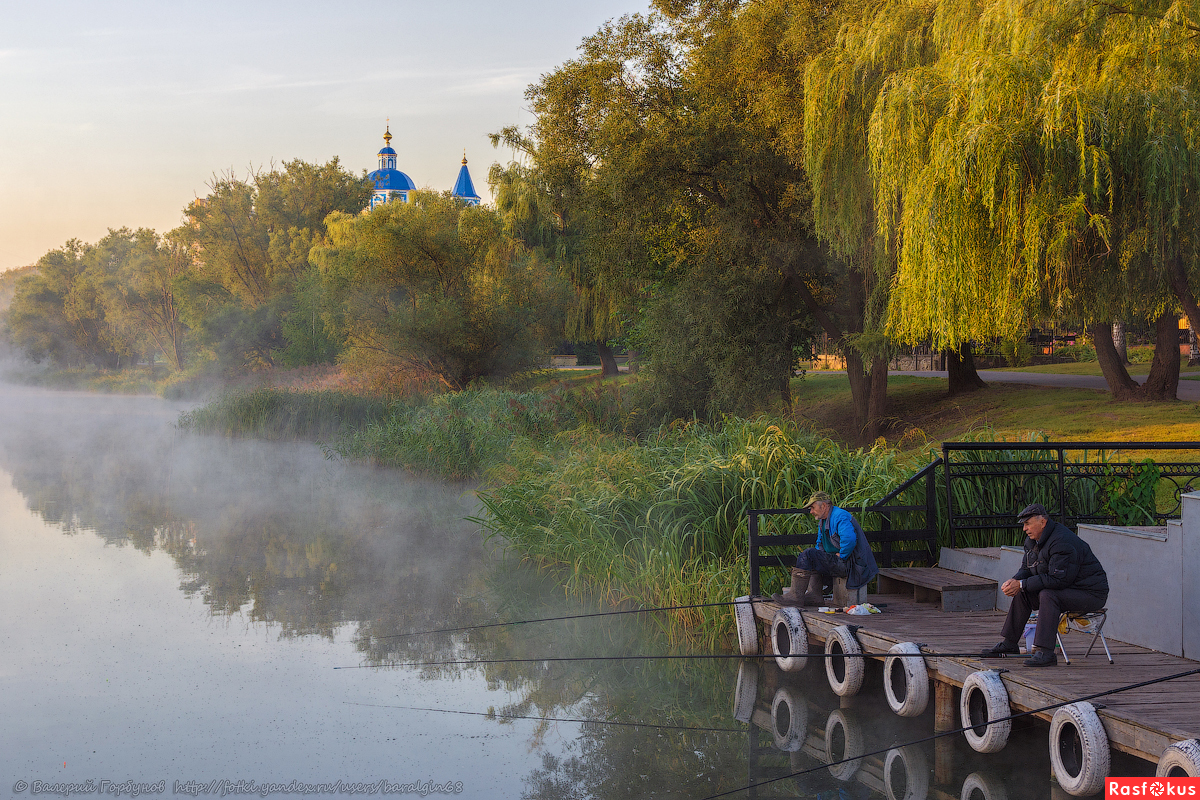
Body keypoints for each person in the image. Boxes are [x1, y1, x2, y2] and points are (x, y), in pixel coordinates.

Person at [981, 502, 1109, 667]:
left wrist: (1021, 584)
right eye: (1024, 525)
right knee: (1025, 592)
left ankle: (1046, 652)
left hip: (1090, 594)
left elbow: (1058, 580)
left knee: (1048, 595)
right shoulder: (1031, 540)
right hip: (1066, 589)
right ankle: (1009, 643)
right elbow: (1026, 569)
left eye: (1027, 524)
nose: (1024, 529)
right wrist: (1015, 581)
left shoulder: (1062, 542)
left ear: (1043, 522)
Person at [772, 491, 879, 607]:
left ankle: (795, 597)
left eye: (812, 507)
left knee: (809, 554)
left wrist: (842, 556)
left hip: (852, 565)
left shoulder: (840, 516)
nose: (811, 511)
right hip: (841, 561)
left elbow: (850, 539)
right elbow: (819, 544)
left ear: (823, 506)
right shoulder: (822, 521)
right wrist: (821, 558)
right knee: (808, 557)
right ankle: (814, 596)